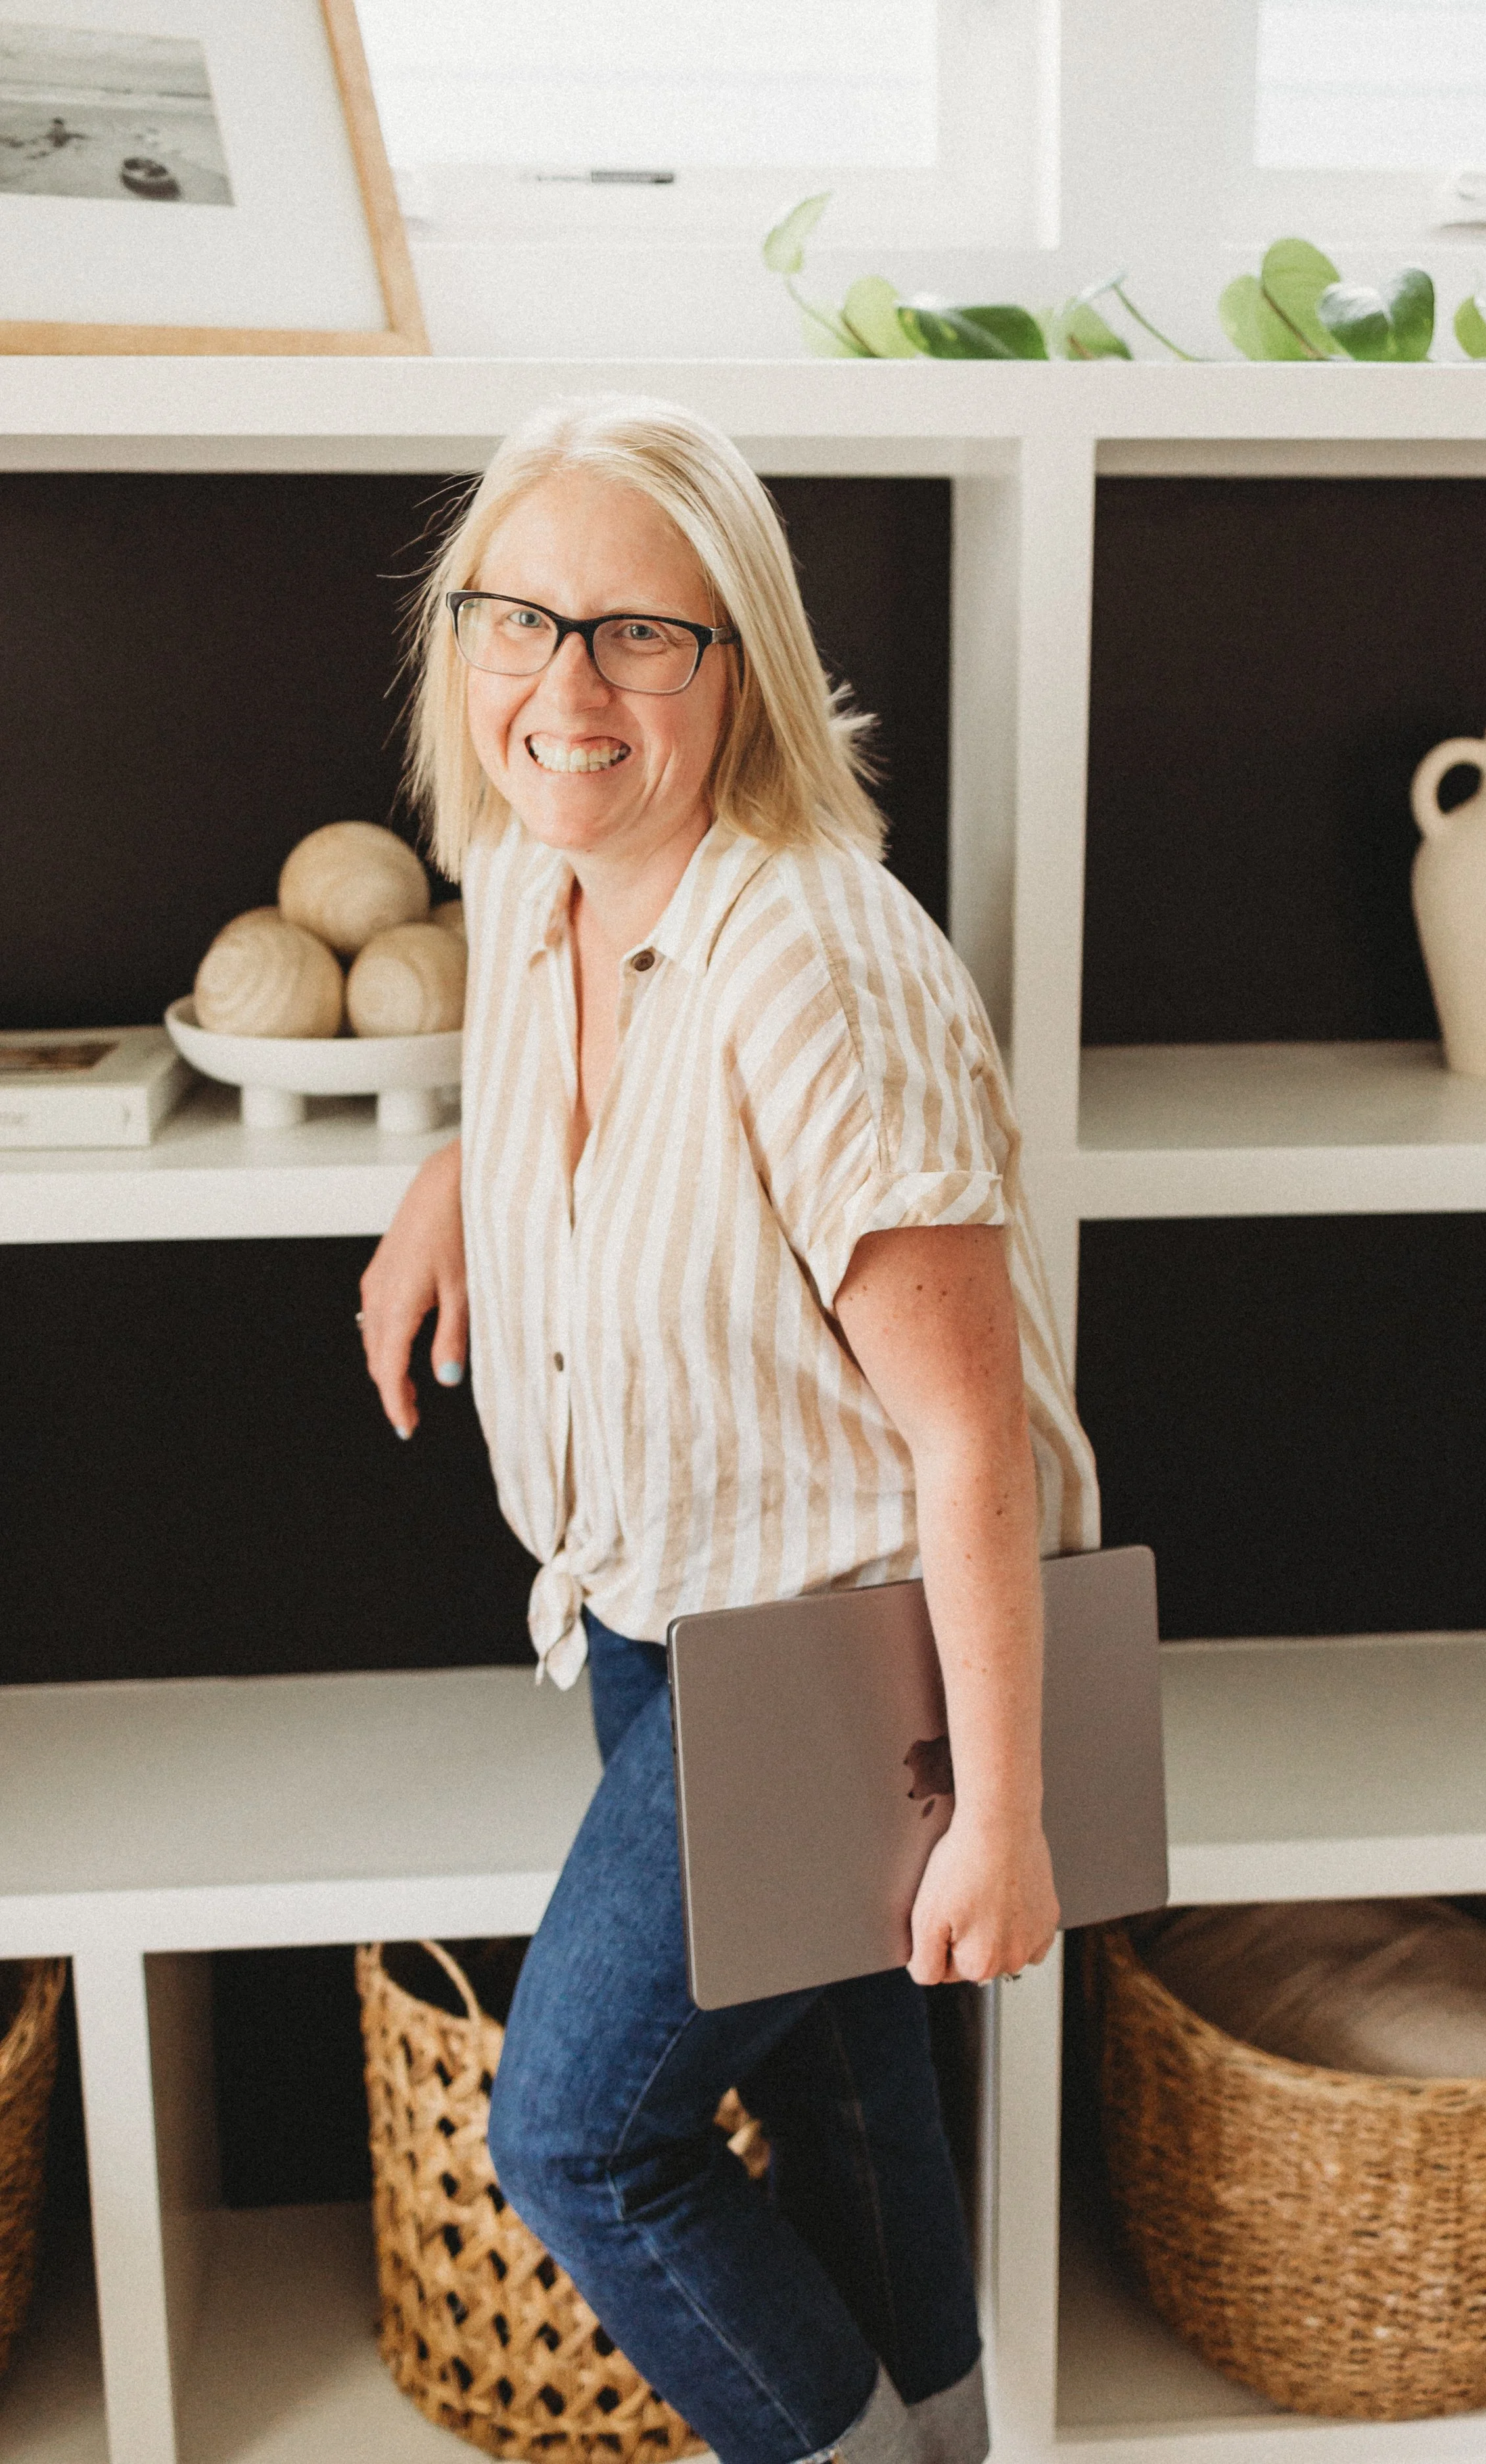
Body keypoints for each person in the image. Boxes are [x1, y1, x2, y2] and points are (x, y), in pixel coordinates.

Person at [357, 395, 1099, 2464]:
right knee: (854, 2093)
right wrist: (454, 1179)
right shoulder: (534, 872)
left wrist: (1004, 1813)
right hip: (645, 1596)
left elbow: (975, 1445)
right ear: (463, 643)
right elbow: (566, 1070)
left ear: (737, 664)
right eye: (520, 619)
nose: (563, 684)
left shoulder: (814, 961)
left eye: (637, 635)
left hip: (832, 1640)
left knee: (581, 2136)